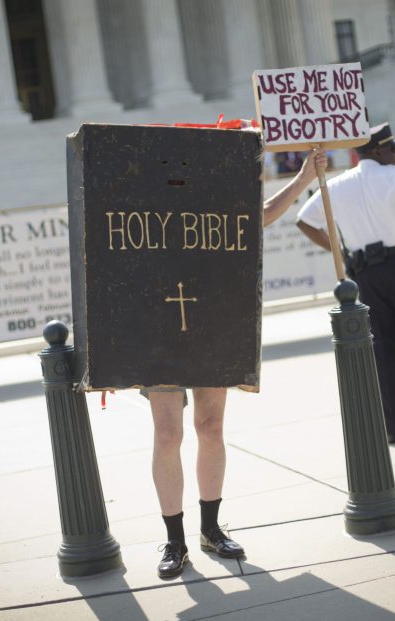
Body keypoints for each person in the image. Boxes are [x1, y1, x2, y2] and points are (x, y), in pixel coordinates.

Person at [150, 150, 327, 579]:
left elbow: (259, 215)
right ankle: (175, 541)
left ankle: (210, 529)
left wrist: (304, 176)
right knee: (168, 434)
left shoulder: (213, 200)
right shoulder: (145, 201)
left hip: (209, 324)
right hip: (157, 330)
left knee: (210, 428)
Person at [295, 123, 395, 445]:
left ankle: (390, 425)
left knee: (381, 351)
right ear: (380, 150)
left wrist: (339, 250)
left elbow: (304, 220)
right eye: (394, 148)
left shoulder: (339, 184)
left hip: (365, 274)